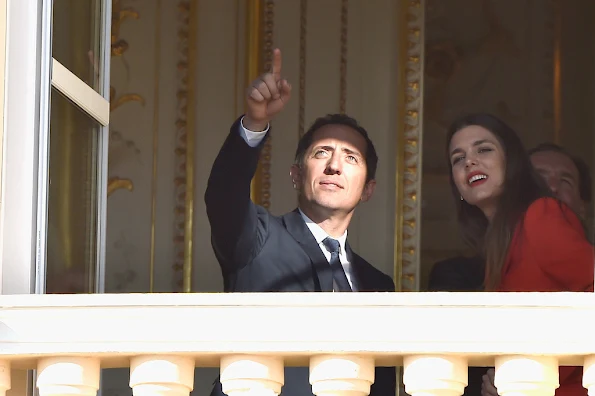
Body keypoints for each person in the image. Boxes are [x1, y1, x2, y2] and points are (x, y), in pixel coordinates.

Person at [205, 49, 395, 396]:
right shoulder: (257, 237)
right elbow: (223, 193)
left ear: (368, 190)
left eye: (350, 157)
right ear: (295, 175)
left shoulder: (378, 283)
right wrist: (254, 122)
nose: (334, 166)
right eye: (321, 153)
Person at [446, 113, 593, 396]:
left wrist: (539, 378)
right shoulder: (499, 246)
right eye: (457, 158)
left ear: (512, 163)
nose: (469, 161)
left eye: (484, 149)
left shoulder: (541, 215)